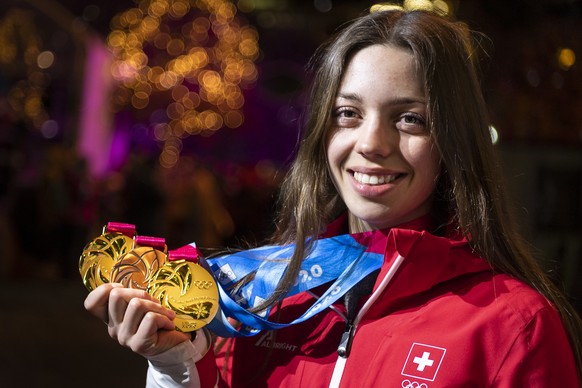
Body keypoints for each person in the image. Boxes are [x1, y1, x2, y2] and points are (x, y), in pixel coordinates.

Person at [84, 5, 582, 387]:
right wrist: (174, 365)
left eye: (409, 118)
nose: (371, 143)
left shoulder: (513, 326)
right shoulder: (268, 300)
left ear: (454, 140)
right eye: (348, 113)